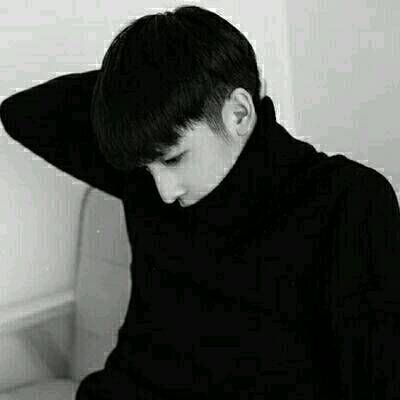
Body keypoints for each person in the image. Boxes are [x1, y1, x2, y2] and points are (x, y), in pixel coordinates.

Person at [1, 5, 400, 400]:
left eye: (174, 158)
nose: (164, 191)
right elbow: (21, 114)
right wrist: (140, 86)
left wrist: (195, 81)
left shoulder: (346, 201)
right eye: (149, 168)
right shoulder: (148, 174)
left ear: (239, 113)